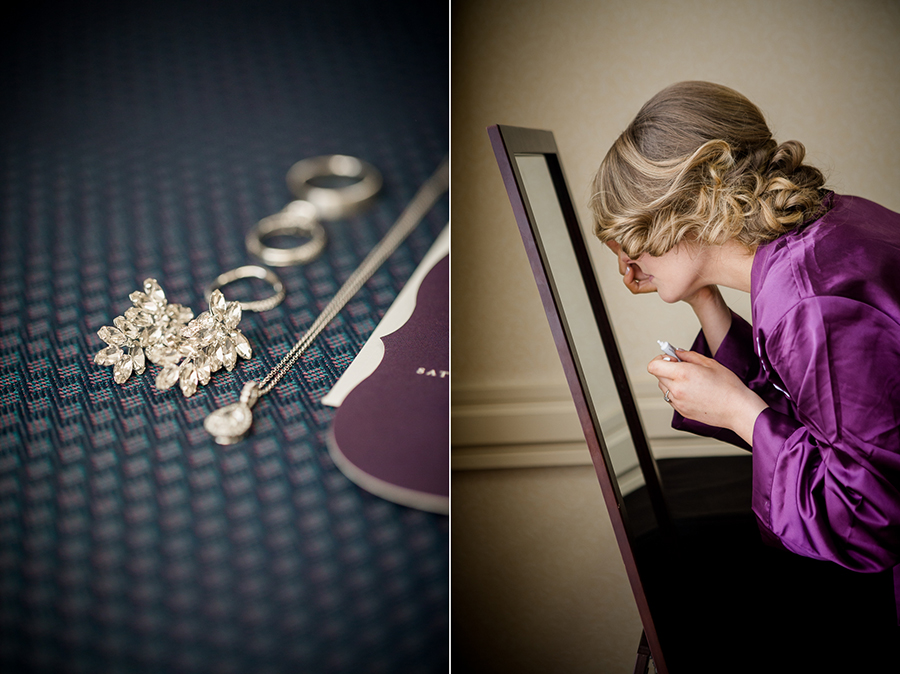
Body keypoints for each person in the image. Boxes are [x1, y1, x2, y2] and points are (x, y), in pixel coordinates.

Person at [589, 81, 900, 627]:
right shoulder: (828, 230)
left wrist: (740, 412)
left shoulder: (810, 300)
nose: (628, 262)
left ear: (694, 197)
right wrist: (701, 296)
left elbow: (866, 514)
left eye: (630, 234)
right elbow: (832, 414)